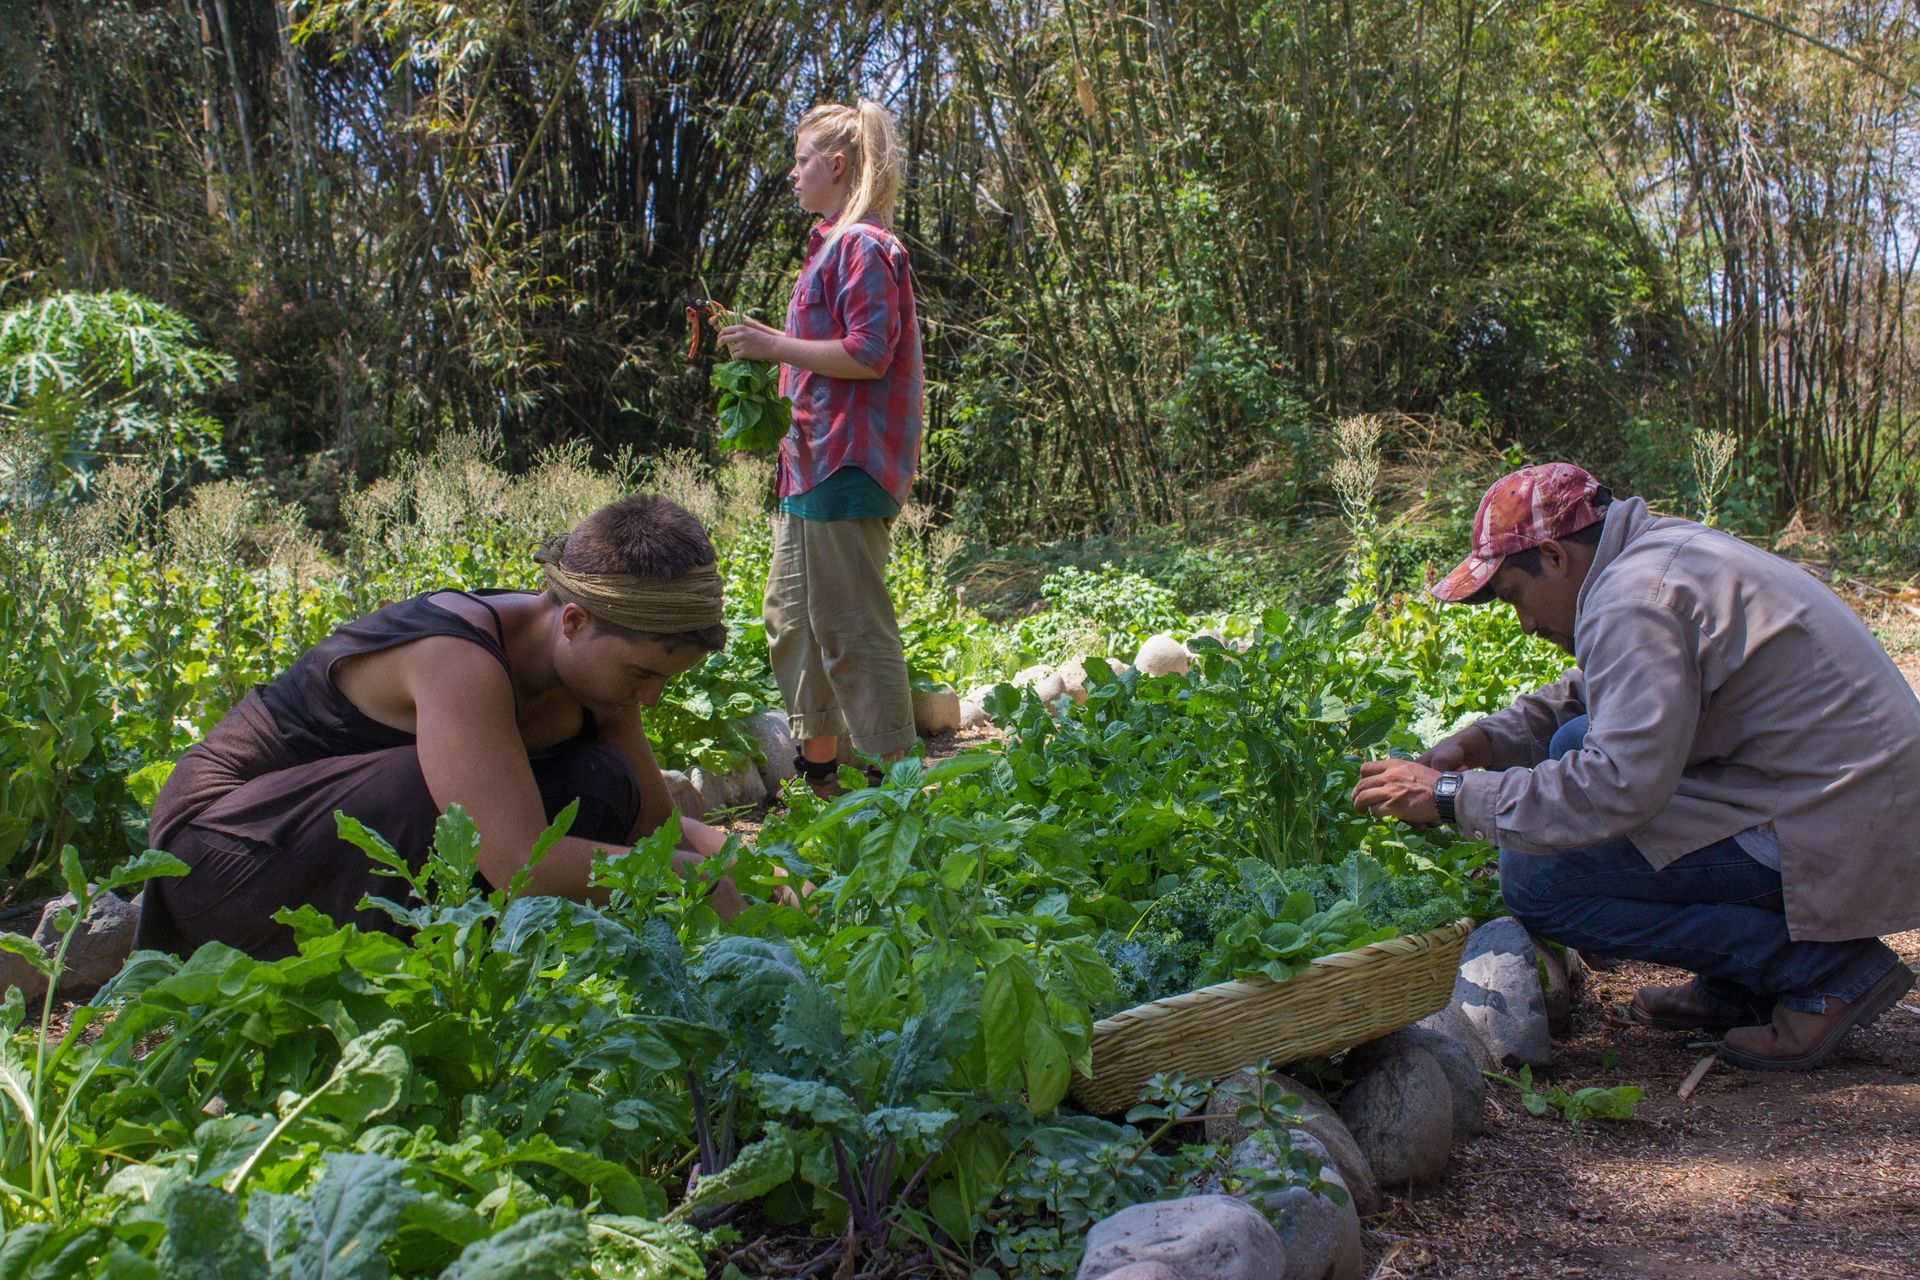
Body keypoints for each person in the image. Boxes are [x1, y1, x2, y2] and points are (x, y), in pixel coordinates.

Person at [1351, 463, 1920, 1071]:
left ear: (1552, 555)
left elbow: (1615, 789)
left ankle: (1820, 973)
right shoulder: (1652, 557)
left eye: (1516, 595)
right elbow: (1602, 686)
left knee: (1539, 883)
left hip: (1834, 825)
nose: (1525, 623)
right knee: (1572, 736)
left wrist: (1449, 796)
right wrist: (1487, 740)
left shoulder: (1635, 597)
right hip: (1834, 797)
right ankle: (1743, 984)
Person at [137, 494, 747, 960]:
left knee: (601, 780)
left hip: (324, 844)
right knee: (434, 802)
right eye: (642, 674)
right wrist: (687, 877)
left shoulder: (597, 680)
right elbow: (521, 864)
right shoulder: (458, 660)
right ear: (573, 620)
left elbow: (652, 830)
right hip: (218, 861)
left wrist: (744, 870)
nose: (652, 697)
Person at [717, 100, 922, 793]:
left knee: (850, 628)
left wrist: (774, 343)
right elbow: (815, 361)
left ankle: (898, 792)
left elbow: (869, 354)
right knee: (791, 621)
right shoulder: (828, 246)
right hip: (807, 463)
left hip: (848, 462)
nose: (792, 174)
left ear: (836, 166)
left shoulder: (866, 246)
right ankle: (825, 781)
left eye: (801, 160)